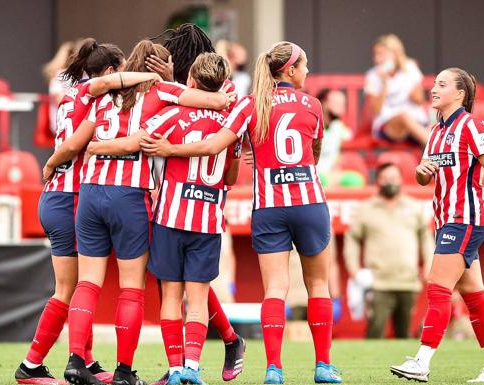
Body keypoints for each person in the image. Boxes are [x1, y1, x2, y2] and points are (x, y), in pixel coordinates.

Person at [140, 41, 342, 384]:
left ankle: (273, 369)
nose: (307, 71)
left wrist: (170, 149)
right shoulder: (313, 104)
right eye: (304, 65)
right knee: (318, 284)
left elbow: (213, 143)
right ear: (291, 70)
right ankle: (323, 365)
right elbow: (314, 151)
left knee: (275, 288)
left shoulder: (251, 105)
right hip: (308, 201)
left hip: (268, 206)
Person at [62, 40, 232, 385]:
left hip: (92, 191)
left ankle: (76, 360)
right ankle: (124, 371)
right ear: (159, 65)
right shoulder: (162, 90)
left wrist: (84, 151)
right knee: (131, 289)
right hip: (129, 195)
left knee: (87, 283)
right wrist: (168, 80)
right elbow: (217, 100)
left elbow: (80, 132)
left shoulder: (104, 94)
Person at [15, 38, 163, 385]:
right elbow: (73, 144)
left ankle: (87, 360)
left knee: (83, 285)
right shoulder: (94, 94)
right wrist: (51, 162)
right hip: (70, 196)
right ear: (111, 71)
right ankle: (32, 364)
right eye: (122, 67)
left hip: (60, 196)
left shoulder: (70, 96)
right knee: (70, 288)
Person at [390, 68, 484, 383]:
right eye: (434, 84)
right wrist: (421, 170)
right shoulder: (435, 131)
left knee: (438, 287)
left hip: (465, 218)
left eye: (442, 85)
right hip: (445, 219)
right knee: (473, 294)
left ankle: (422, 361)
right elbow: (423, 178)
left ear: (460, 94)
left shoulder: (472, 125)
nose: (433, 89)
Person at [145, 23, 247, 384]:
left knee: (173, 292)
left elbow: (139, 136)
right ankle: (195, 363)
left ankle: (179, 366)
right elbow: (233, 168)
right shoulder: (231, 110)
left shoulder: (174, 108)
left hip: (171, 210)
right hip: (208, 212)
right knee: (197, 292)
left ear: (188, 71)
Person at [344, 163, 433, 339]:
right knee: (375, 333)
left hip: (408, 280)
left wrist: (429, 265)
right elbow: (352, 238)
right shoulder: (366, 208)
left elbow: (426, 238)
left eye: (393, 177)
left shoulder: (414, 207)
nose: (389, 182)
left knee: (404, 335)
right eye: (385, 178)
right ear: (377, 180)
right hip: (378, 283)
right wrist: (353, 269)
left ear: (401, 180)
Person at [364, 34, 428, 145]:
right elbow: (375, 111)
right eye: (375, 55)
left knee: (437, 123)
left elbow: (419, 100)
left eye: (381, 54)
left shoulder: (410, 68)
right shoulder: (372, 76)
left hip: (416, 123)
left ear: (394, 54)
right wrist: (384, 83)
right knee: (404, 117)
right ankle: (436, 151)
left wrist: (408, 84)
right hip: (387, 127)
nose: (377, 59)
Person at [314, 89, 353, 186]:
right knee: (321, 180)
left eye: (343, 104)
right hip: (315, 173)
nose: (341, 109)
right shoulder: (312, 125)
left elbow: (350, 137)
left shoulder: (338, 126)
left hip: (332, 173)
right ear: (323, 103)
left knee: (355, 180)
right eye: (336, 103)